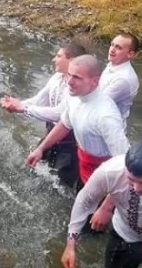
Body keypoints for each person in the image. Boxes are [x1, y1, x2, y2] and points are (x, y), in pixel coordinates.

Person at [26, 54, 129, 191]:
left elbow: (124, 160)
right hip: (84, 167)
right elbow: (64, 123)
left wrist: (109, 201)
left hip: (104, 179)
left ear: (94, 81)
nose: (69, 82)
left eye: (77, 78)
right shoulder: (75, 96)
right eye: (69, 75)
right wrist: (41, 149)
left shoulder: (106, 116)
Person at [0, 42, 86, 189]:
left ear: (71, 61)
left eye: (58, 56)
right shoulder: (57, 77)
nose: (54, 59)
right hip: (50, 137)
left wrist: (22, 108)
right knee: (31, 168)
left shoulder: (77, 87)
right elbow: (38, 101)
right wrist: (16, 105)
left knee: (62, 188)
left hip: (69, 146)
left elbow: (58, 114)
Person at [100, 33, 140, 129]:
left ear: (130, 54)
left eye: (118, 47)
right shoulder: (114, 63)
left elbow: (97, 103)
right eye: (112, 45)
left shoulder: (123, 79)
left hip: (109, 133)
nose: (112, 50)